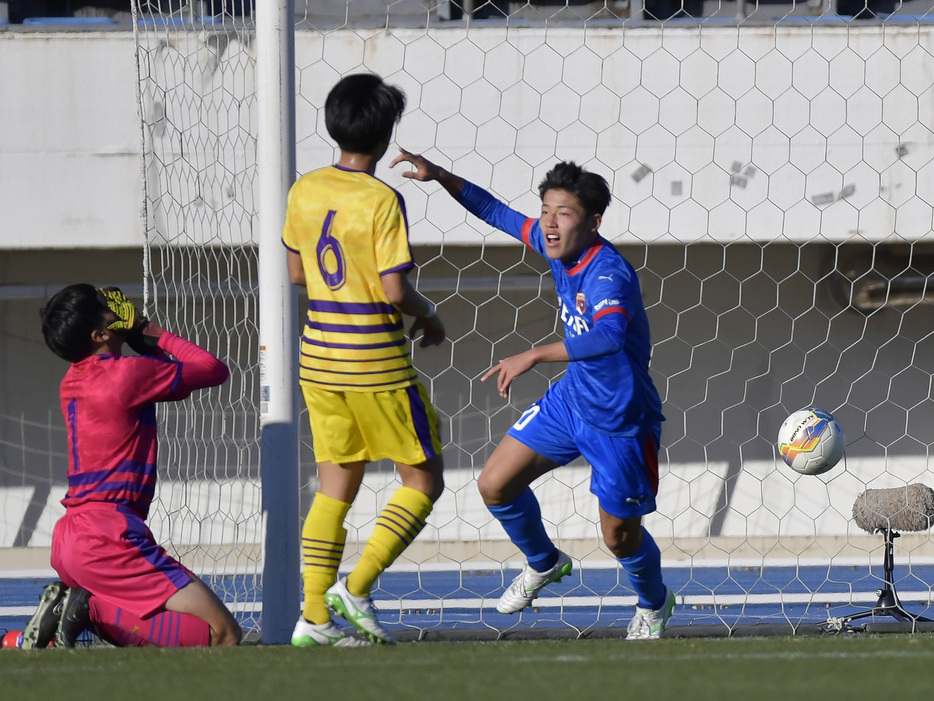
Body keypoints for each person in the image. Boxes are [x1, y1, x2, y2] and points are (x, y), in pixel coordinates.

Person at [390, 151, 676, 640]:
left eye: (563, 214)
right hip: (570, 402)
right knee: (494, 485)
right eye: (545, 211)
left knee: (618, 537)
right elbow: (496, 211)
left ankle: (655, 603)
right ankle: (544, 562)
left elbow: (607, 338)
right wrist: (439, 176)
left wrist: (532, 355)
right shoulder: (552, 245)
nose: (549, 223)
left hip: (619, 420)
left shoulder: (609, 274)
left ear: (593, 222)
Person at [282, 73, 446, 647]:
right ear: (385, 135)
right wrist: (430, 316)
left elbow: (298, 273)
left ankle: (313, 618)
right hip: (375, 362)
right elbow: (395, 292)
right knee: (423, 479)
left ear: (333, 124)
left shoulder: (303, 190)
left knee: (334, 486)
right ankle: (356, 586)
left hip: (318, 361)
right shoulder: (382, 200)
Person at [30, 284, 242, 648]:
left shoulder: (72, 381)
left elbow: (136, 376)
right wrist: (151, 334)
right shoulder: (128, 374)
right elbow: (213, 369)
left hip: (71, 538)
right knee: (224, 635)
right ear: (98, 334)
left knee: (190, 635)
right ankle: (87, 608)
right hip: (108, 536)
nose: (117, 307)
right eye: (106, 307)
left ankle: (58, 618)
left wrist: (133, 342)